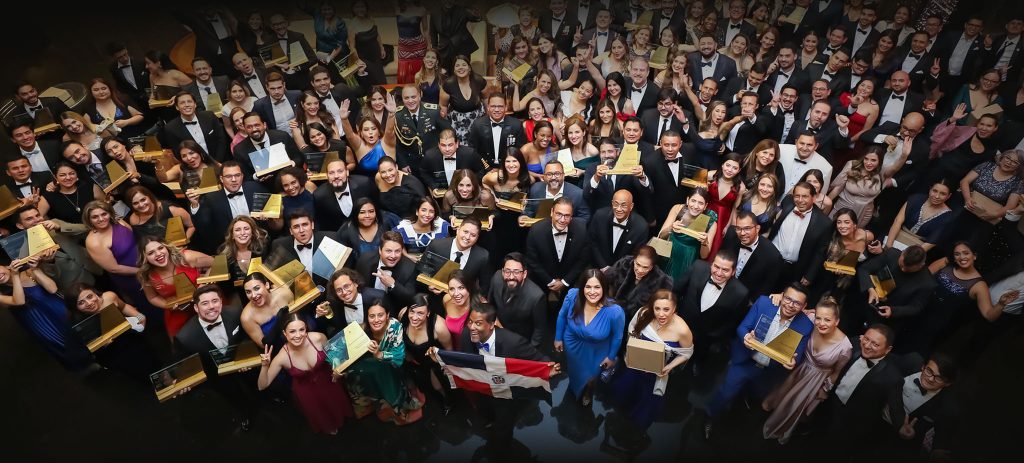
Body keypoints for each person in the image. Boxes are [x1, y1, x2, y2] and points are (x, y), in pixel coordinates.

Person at [703, 284, 815, 440]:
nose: (790, 305)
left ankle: (741, 402)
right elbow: (743, 327)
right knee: (726, 392)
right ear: (782, 296)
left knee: (755, 394)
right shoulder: (764, 303)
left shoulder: (806, 325)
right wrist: (746, 336)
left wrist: (793, 362)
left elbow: (798, 354)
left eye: (797, 303)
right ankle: (710, 416)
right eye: (788, 299)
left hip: (769, 371)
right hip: (745, 361)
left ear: (804, 306)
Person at [762, 297, 852, 444]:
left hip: (814, 380)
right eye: (818, 318)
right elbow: (793, 309)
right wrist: (778, 295)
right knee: (780, 396)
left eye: (827, 320)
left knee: (793, 407)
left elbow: (836, 372)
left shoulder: (845, 347)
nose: (821, 323)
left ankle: (779, 429)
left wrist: (825, 390)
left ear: (837, 321)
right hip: (798, 368)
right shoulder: (810, 320)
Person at [173, 285, 257, 432]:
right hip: (217, 375)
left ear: (221, 302)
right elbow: (184, 364)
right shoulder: (185, 337)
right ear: (196, 308)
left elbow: (245, 337)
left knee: (254, 386)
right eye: (205, 303)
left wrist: (246, 357)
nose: (211, 306)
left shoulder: (235, 313)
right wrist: (181, 380)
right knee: (233, 396)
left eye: (215, 301)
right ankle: (244, 415)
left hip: (242, 365)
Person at [258, 311, 353, 434]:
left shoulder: (319, 338)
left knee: (337, 406)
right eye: (292, 331)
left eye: (302, 330)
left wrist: (338, 371)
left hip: (329, 381)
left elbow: (334, 357)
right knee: (321, 413)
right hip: (307, 392)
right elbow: (262, 385)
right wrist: (265, 365)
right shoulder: (282, 357)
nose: (298, 335)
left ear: (306, 329)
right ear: (285, 333)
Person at [610, 290, 693, 429]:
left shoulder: (682, 330)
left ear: (674, 308)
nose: (661, 314)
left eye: (666, 309)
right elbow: (632, 331)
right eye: (657, 308)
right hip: (636, 365)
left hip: (658, 372)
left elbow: (687, 353)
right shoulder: (643, 313)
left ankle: (636, 427)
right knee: (625, 390)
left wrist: (669, 367)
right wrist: (629, 353)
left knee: (647, 403)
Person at [819, 324, 903, 454]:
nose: (867, 346)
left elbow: (895, 406)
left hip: (852, 424)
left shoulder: (892, 377)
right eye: (866, 339)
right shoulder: (854, 345)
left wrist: (901, 426)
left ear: (888, 349)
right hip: (830, 405)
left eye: (875, 344)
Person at [0, 261, 91, 372]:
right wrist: (14, 275)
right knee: (65, 346)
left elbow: (52, 289)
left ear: (4, 266)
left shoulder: (28, 272)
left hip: (58, 310)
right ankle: (87, 369)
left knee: (84, 332)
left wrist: (35, 269)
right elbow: (19, 301)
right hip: (41, 323)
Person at [344, 300, 424, 424]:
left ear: (387, 315)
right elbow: (343, 353)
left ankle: (397, 408)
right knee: (352, 373)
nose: (376, 320)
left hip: (391, 364)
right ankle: (373, 405)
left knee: (385, 374)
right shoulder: (361, 329)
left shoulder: (394, 326)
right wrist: (338, 369)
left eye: (380, 315)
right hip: (369, 364)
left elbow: (399, 358)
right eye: (372, 316)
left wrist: (379, 354)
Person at [554, 269, 624, 406]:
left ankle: (587, 391)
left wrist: (611, 357)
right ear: (582, 287)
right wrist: (558, 338)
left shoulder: (614, 311)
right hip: (573, 345)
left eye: (597, 287)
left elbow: (618, 336)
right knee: (574, 371)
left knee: (591, 378)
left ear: (604, 288)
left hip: (597, 350)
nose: (592, 292)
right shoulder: (572, 296)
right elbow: (562, 316)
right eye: (588, 287)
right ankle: (574, 384)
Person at [674, 253, 750, 377]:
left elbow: (733, 322)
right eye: (716, 267)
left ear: (733, 272)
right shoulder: (697, 267)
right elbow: (676, 290)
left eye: (725, 270)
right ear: (711, 264)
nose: (719, 273)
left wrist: (715, 335)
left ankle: (696, 363)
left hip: (707, 335)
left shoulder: (740, 293)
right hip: (682, 324)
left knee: (698, 358)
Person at [882, 353, 960, 461]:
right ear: (923, 366)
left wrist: (937, 450)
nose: (930, 379)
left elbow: (942, 436)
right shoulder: (912, 361)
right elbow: (889, 369)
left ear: (947, 383)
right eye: (929, 371)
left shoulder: (948, 407)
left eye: (939, 378)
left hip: (897, 443)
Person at [137, 237, 212, 339]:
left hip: (206, 303)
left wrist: (203, 284)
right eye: (151, 253)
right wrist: (167, 305)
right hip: (178, 313)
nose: (158, 254)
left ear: (166, 247)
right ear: (145, 258)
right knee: (182, 342)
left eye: (160, 248)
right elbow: (152, 297)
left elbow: (216, 263)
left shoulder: (186, 257)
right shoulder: (147, 276)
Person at [524, 197, 589, 297]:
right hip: (542, 279)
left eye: (567, 216)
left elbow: (582, 260)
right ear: (551, 212)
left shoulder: (581, 230)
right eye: (559, 214)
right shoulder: (536, 230)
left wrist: (565, 282)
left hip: (570, 280)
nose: (562, 220)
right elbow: (532, 260)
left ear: (572, 216)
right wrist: (550, 281)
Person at [398, 293, 453, 411]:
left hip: (434, 362)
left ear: (428, 313)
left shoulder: (439, 327)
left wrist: (443, 364)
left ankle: (448, 403)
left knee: (438, 387)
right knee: (422, 385)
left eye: (420, 313)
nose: (414, 317)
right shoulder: (403, 315)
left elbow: (449, 351)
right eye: (412, 311)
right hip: (415, 361)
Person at [487, 253, 546, 347]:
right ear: (502, 272)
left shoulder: (536, 296)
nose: (511, 277)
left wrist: (531, 350)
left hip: (519, 342)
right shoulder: (496, 278)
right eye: (507, 271)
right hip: (496, 333)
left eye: (516, 272)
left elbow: (539, 329)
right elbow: (490, 304)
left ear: (524, 274)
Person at [658, 189, 717, 280]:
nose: (696, 206)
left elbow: (704, 256)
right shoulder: (677, 209)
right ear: (687, 200)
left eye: (701, 203)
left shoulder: (711, 222)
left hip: (689, 260)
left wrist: (704, 242)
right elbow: (661, 236)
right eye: (693, 201)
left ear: (705, 206)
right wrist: (671, 228)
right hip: (670, 254)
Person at [884, 180, 955, 253]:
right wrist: (888, 246)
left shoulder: (948, 217)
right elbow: (897, 222)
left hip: (916, 249)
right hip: (893, 237)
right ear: (930, 189)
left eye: (943, 194)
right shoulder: (915, 199)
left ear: (948, 196)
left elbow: (931, 242)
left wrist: (908, 256)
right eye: (934, 191)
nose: (937, 196)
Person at [587, 189, 649, 272]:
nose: (619, 209)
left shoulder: (641, 226)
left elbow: (635, 255)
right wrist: (603, 267)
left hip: (623, 271)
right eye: (616, 204)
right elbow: (592, 242)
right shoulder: (599, 216)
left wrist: (615, 271)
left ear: (631, 206)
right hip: (598, 267)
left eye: (623, 205)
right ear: (612, 203)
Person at [354, 231, 418, 309]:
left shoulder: (410, 267)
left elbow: (410, 298)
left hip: (394, 310)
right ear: (380, 250)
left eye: (397, 251)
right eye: (388, 251)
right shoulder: (365, 260)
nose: (393, 256)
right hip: (367, 307)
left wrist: (393, 285)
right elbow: (358, 287)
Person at [339, 94, 398, 176]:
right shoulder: (359, 146)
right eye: (366, 129)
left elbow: (389, 131)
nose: (370, 132)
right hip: (367, 183)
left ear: (379, 132)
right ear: (361, 133)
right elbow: (350, 135)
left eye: (373, 129)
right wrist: (344, 119)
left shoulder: (387, 143)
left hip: (390, 180)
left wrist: (391, 114)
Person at [317, 268, 386, 335]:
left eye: (346, 286)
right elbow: (326, 326)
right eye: (339, 290)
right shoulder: (334, 304)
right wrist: (319, 314)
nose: (344, 292)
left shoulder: (377, 297)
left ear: (355, 283)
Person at [827, 147, 885, 225]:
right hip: (842, 209)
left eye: (873, 160)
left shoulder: (880, 174)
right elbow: (837, 188)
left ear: (879, 161)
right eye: (866, 159)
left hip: (864, 215)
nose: (868, 163)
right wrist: (825, 204)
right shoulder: (852, 165)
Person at [311, 158, 370, 231]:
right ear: (327, 176)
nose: (336, 176)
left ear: (347, 172)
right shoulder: (319, 195)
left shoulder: (364, 184)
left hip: (365, 230)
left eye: (340, 171)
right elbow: (320, 224)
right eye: (331, 173)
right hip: (336, 234)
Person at [440, 55, 487, 144]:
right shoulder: (448, 84)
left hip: (477, 121)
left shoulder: (479, 80)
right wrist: (445, 128)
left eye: (464, 65)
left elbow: (486, 99)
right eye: (457, 65)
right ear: (454, 70)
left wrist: (488, 120)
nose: (460, 67)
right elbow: (443, 106)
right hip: (457, 124)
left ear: (469, 68)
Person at [240, 272, 294, 347]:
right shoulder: (247, 317)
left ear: (267, 285)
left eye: (257, 288)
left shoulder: (284, 294)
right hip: (278, 349)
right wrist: (278, 322)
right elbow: (264, 346)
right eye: (248, 292)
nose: (253, 295)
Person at [337, 198, 401, 261]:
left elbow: (400, 243)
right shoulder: (346, 232)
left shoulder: (386, 223)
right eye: (362, 212)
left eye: (371, 211)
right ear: (355, 214)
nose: (367, 215)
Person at [125, 185, 195, 243]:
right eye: (135, 203)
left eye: (143, 200)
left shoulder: (171, 209)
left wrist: (183, 242)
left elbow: (192, 225)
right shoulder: (134, 219)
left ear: (149, 197)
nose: (141, 205)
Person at [218, 216, 270, 292]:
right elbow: (225, 287)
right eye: (237, 230)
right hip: (236, 296)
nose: (242, 233)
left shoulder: (264, 249)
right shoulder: (224, 255)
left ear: (252, 232)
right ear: (232, 235)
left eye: (246, 229)